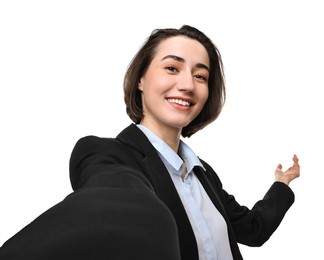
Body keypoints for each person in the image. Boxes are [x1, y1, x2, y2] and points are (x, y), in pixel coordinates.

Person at [0, 25, 300, 260]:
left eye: (200, 76)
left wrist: (281, 186)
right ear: (141, 79)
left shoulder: (203, 173)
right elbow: (121, 199)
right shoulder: (106, 154)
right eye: (172, 68)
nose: (187, 84)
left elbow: (253, 230)